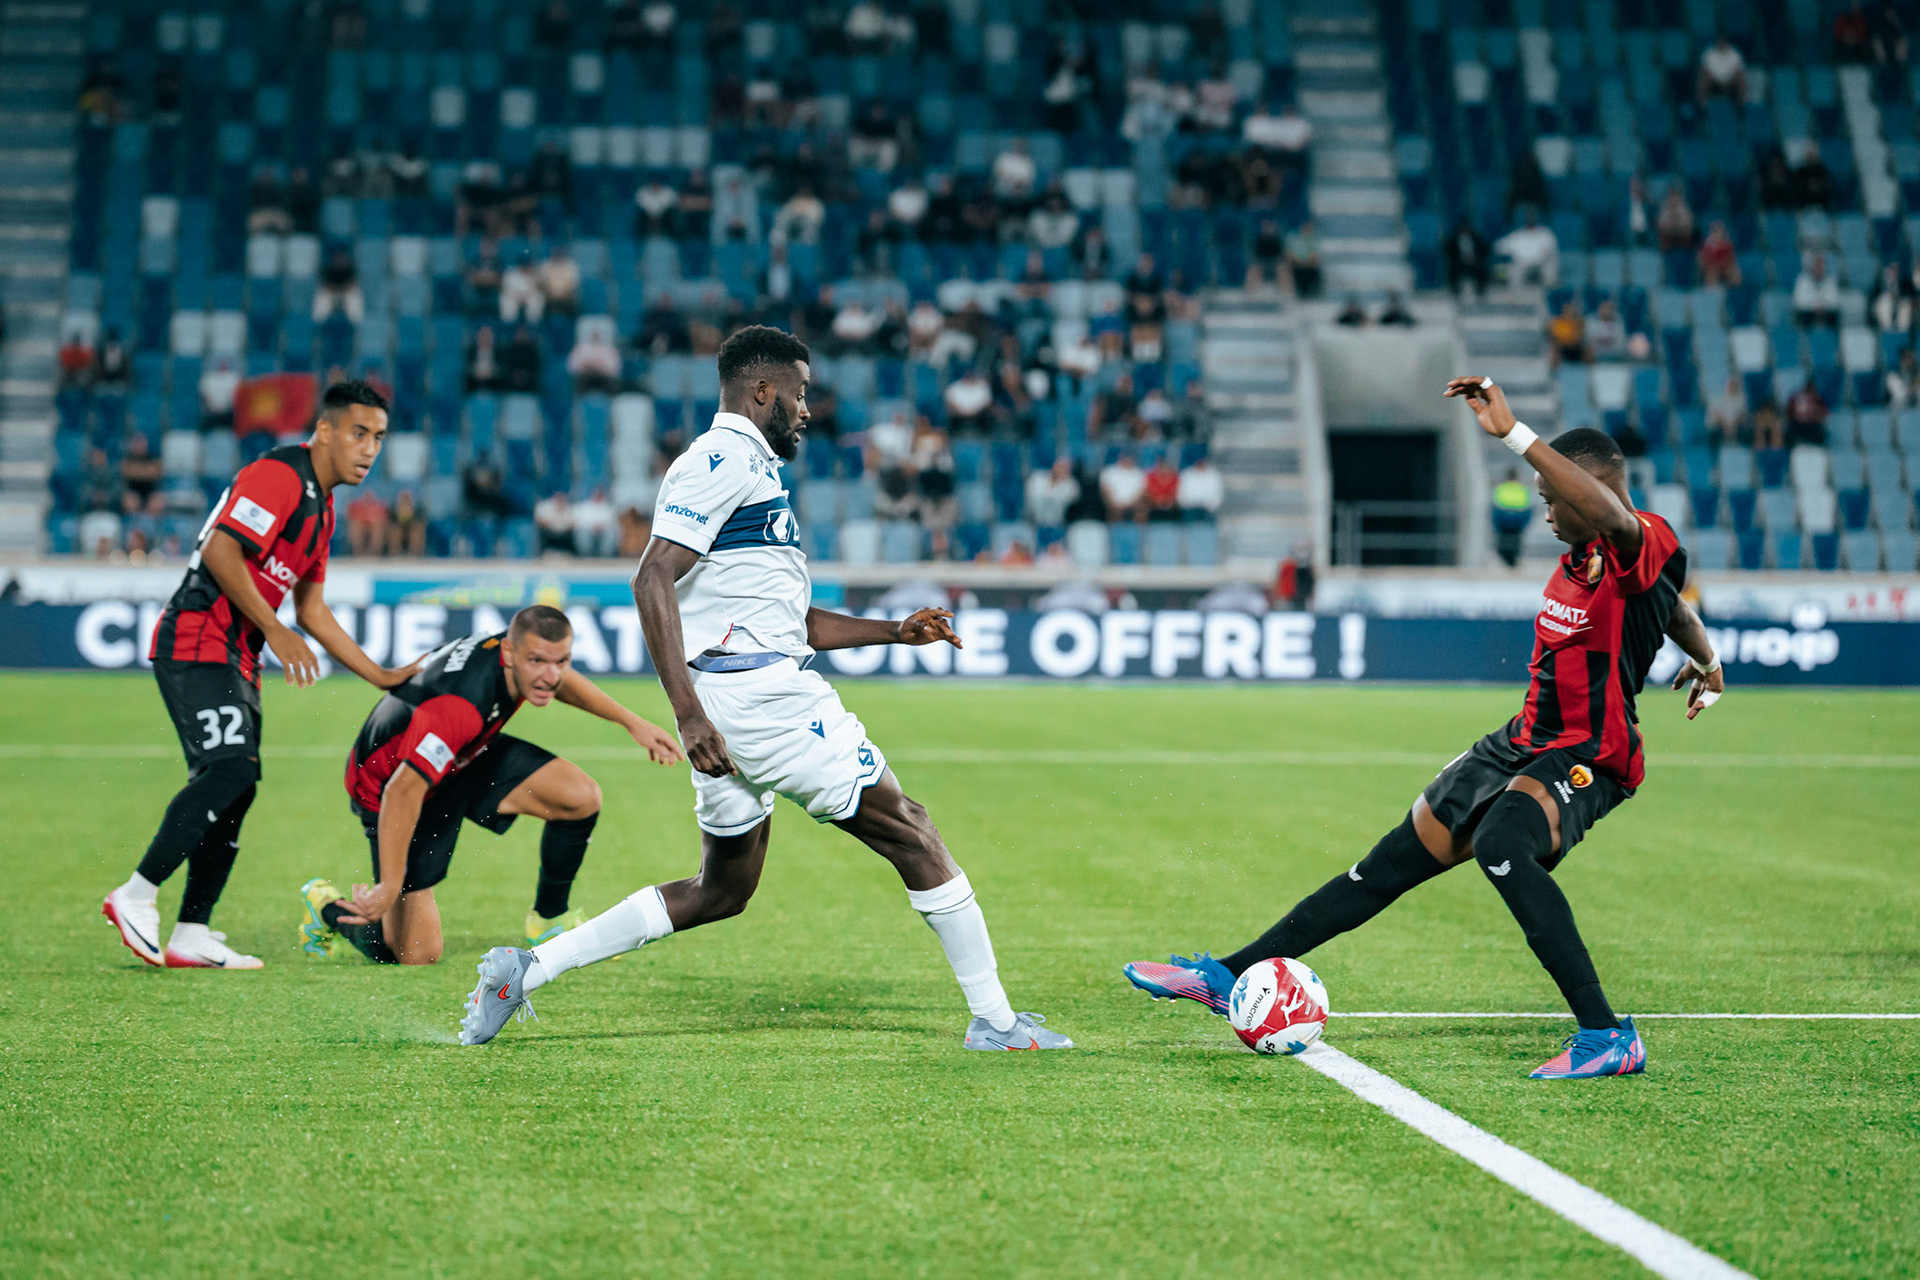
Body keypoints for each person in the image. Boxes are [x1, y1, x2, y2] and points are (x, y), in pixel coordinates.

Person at [457, 326, 1073, 1051]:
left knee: (723, 888)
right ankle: (997, 1022)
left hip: (738, 701)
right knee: (912, 828)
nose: (807, 409)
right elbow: (651, 575)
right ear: (763, 391)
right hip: (761, 704)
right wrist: (686, 715)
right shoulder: (721, 460)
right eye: (800, 393)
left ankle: (524, 972)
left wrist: (892, 631)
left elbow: (791, 621)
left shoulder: (752, 468)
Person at [1125, 376, 1728, 1080]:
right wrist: (1707, 657)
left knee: (1505, 843)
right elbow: (1669, 607)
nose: (1544, 511)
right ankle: (1231, 974)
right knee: (1382, 868)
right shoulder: (1586, 559)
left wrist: (1515, 436)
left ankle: (1606, 1034)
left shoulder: (1641, 535)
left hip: (1591, 751)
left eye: (1552, 498)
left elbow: (1623, 530)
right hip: (1522, 740)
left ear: (1589, 492)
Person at [101, 382, 419, 971]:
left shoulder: (321, 512)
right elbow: (223, 551)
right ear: (324, 430)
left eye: (378, 437)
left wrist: (381, 675)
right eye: (358, 433)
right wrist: (274, 629)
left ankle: (192, 930)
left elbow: (313, 611)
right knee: (229, 770)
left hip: (235, 653)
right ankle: (136, 893)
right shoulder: (279, 475)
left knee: (237, 784)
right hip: (199, 638)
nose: (369, 449)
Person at [300, 609, 683, 965]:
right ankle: (326, 908)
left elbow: (554, 679)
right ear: (510, 652)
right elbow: (403, 792)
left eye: (560, 661)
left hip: (464, 755)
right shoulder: (458, 707)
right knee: (415, 953)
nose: (550, 675)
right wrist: (388, 884)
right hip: (393, 785)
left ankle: (548, 921)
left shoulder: (517, 648)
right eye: (538, 662)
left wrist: (631, 722)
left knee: (579, 797)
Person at [1495, 214, 1558, 286]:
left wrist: (1544, 255)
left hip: (1540, 261)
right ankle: (1515, 293)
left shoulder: (1545, 233)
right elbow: (1498, 247)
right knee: (1509, 270)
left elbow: (1551, 247)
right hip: (1521, 263)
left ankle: (1549, 287)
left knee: (1550, 264)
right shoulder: (1517, 235)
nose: (1530, 220)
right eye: (1528, 218)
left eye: (1532, 218)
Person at [1491, 468, 1532, 566]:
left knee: (1502, 535)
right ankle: (1514, 554)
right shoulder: (1523, 489)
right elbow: (1526, 505)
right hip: (1518, 519)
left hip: (1503, 519)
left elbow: (1497, 504)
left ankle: (1502, 550)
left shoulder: (1500, 488)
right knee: (1516, 537)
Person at [1445, 219, 1491, 298]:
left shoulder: (1476, 238)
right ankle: (1456, 291)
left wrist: (1477, 258)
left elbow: (1484, 249)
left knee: (1483, 270)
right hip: (1459, 263)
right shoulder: (1454, 239)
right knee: (1452, 270)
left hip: (1474, 263)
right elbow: (1448, 251)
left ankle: (1480, 291)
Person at [1696, 36, 1748, 103]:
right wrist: (1714, 78)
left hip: (1730, 80)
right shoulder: (1709, 53)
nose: (1721, 43)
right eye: (1720, 41)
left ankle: (1741, 106)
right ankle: (1703, 106)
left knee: (1741, 78)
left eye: (1723, 41)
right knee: (1702, 77)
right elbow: (1705, 68)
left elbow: (1738, 69)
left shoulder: (1734, 53)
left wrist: (1729, 79)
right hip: (1713, 80)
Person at [1794, 254, 1841, 327]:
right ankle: (1805, 337)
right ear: (1812, 267)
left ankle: (1831, 336)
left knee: (1834, 315)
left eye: (1821, 266)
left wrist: (1823, 306)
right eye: (1817, 266)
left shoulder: (1830, 281)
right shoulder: (1802, 280)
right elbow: (1799, 301)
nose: (1819, 269)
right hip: (1808, 312)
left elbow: (1834, 300)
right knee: (1803, 315)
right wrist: (1814, 306)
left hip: (1825, 312)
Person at [1707, 375, 1752, 444]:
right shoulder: (1717, 399)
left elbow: (1743, 415)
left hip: (1737, 427)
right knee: (1712, 433)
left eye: (1734, 385)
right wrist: (1725, 425)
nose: (1732, 387)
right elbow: (1715, 414)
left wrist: (1734, 425)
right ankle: (1714, 452)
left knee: (1747, 432)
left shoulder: (1742, 400)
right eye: (1730, 385)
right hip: (1721, 427)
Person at [1177, 454, 1223, 521]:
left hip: (1208, 510)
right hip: (1190, 509)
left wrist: (1211, 506)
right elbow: (1181, 494)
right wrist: (1187, 505)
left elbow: (1218, 494)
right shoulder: (1187, 474)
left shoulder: (1214, 475)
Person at [1697, 221, 1740, 287]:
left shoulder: (1727, 246)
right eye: (1716, 232)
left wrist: (1725, 266)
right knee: (1711, 272)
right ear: (1711, 234)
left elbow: (1731, 261)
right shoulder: (1706, 246)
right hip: (1712, 269)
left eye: (1721, 232)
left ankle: (1736, 290)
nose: (1719, 235)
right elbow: (1702, 263)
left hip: (1724, 267)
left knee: (1735, 272)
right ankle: (1711, 291)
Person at [534, 489, 576, 554]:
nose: (560, 499)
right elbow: (541, 520)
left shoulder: (569, 507)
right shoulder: (545, 506)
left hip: (565, 533)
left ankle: (574, 555)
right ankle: (540, 554)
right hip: (549, 531)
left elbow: (572, 523)